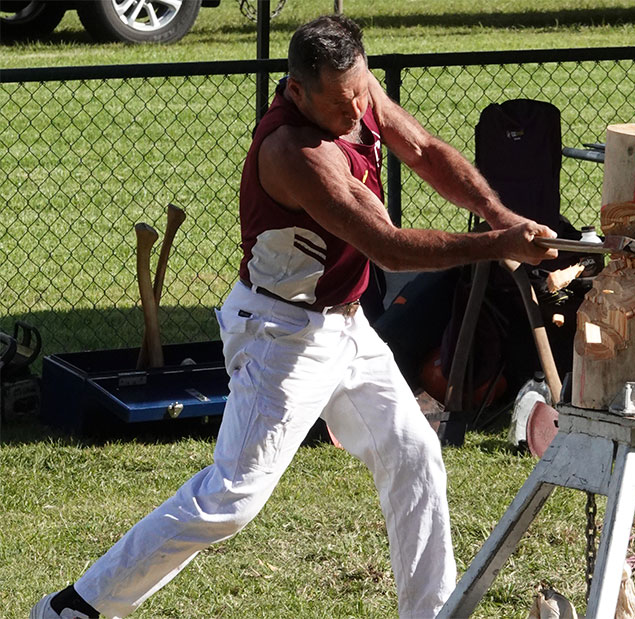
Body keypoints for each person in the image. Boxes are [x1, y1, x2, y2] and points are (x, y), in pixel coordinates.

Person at [32, 13, 556, 619]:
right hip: (280, 336)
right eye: (340, 105)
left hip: (347, 328)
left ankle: (431, 613)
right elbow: (385, 245)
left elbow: (423, 148)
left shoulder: (352, 91)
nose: (358, 115)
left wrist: (495, 213)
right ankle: (75, 608)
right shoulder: (293, 152)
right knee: (232, 499)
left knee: (414, 453)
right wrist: (498, 246)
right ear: (297, 91)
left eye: (361, 94)